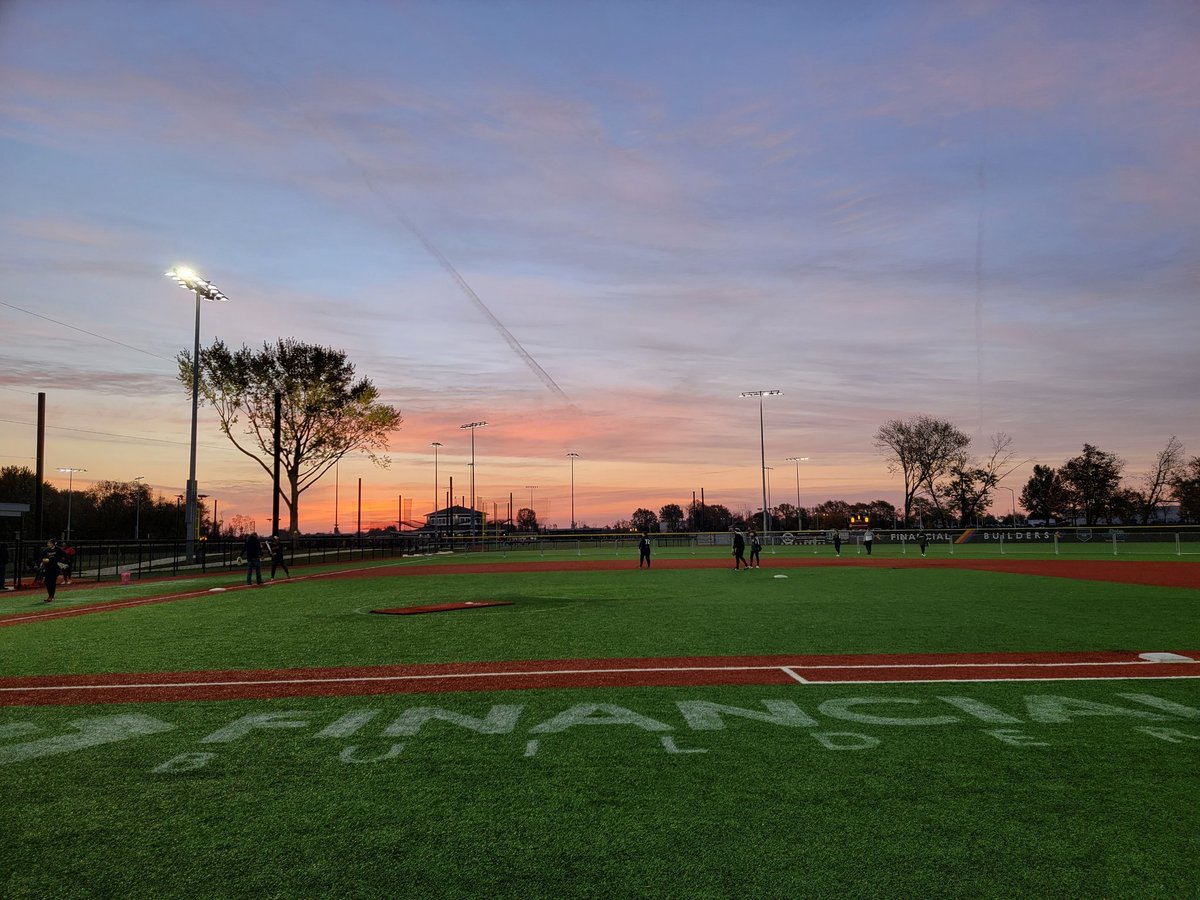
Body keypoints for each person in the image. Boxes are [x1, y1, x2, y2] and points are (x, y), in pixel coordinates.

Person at [39, 538, 69, 602]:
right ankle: (51, 595)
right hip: (48, 568)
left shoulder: (58, 549)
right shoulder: (46, 550)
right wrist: (43, 560)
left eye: (50, 543)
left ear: (53, 544)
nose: (48, 544)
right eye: (48, 543)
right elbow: (40, 557)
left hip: (55, 568)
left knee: (52, 582)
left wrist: (63, 563)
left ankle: (51, 596)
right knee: (47, 582)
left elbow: (65, 556)